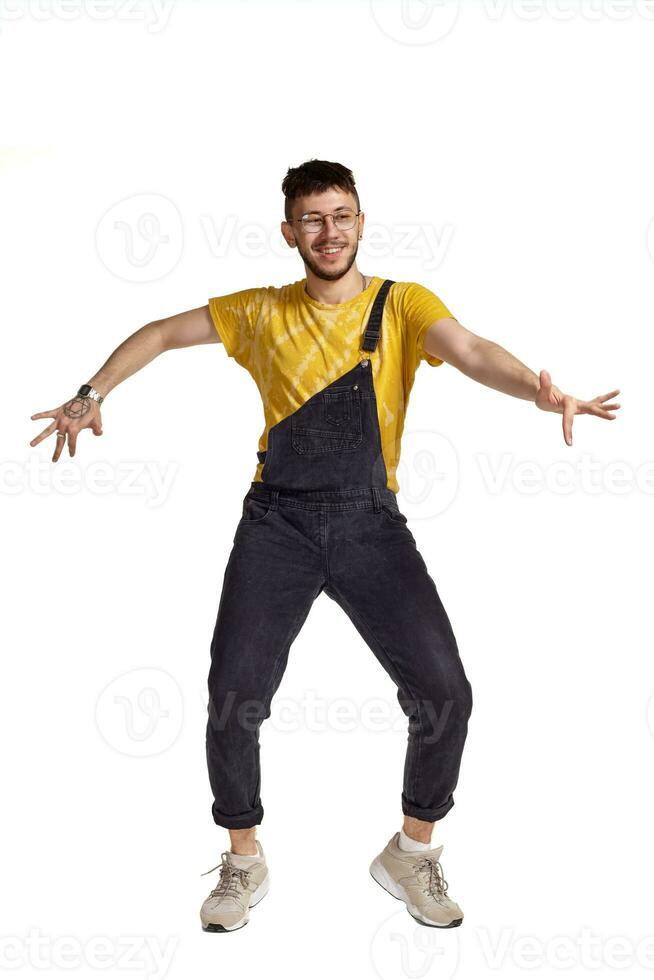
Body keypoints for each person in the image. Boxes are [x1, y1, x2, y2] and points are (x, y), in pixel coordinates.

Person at [29, 159, 621, 933]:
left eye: (341, 215)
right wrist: (92, 392)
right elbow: (163, 332)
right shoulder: (261, 312)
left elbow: (473, 351)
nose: (329, 231)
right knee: (234, 696)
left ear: (362, 222)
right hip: (276, 523)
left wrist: (537, 392)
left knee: (445, 695)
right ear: (290, 232)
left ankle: (411, 851)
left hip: (371, 522)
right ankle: (242, 861)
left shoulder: (402, 304)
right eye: (312, 219)